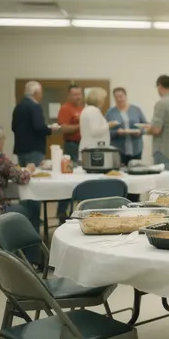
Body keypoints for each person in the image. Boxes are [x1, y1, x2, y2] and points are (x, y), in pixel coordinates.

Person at [12, 81, 60, 232]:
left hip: (21, 149)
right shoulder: (35, 106)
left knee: (24, 184)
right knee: (36, 186)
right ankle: (32, 225)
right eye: (40, 92)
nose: (42, 95)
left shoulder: (19, 106)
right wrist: (51, 129)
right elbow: (39, 127)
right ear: (35, 93)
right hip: (34, 149)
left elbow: (13, 127)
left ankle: (24, 221)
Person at [56, 84, 83, 222]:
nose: (78, 97)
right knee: (68, 180)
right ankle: (62, 212)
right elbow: (64, 128)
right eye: (75, 94)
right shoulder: (65, 108)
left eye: (79, 94)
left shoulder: (83, 108)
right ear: (69, 95)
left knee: (81, 178)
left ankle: (80, 212)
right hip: (71, 146)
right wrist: (81, 125)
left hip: (82, 146)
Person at [107, 87, 147, 165]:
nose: (119, 99)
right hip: (119, 150)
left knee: (136, 172)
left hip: (136, 149)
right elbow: (106, 131)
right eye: (116, 97)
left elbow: (145, 125)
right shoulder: (110, 113)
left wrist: (140, 132)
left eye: (121, 96)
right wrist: (117, 132)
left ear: (125, 96)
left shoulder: (136, 110)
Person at [79, 87, 119, 153]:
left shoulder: (87, 110)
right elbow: (95, 131)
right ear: (98, 99)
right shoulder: (93, 111)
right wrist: (109, 125)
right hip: (93, 149)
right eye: (103, 98)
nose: (103, 101)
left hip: (89, 148)